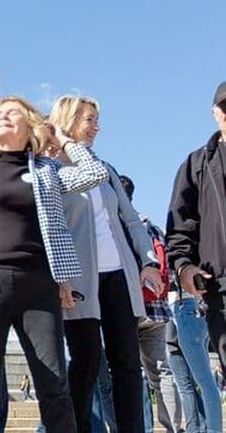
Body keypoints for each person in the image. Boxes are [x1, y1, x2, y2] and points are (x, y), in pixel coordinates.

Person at [0, 96, 108, 432]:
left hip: (39, 286)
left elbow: (94, 173)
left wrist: (62, 139)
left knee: (54, 385)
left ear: (30, 125)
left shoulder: (48, 170)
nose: (2, 116)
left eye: (12, 112)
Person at [48, 95, 162, 433]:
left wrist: (148, 260)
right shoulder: (50, 168)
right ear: (68, 122)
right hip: (80, 280)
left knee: (126, 363)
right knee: (84, 363)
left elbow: (130, 220)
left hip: (119, 277)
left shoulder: (107, 169)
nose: (96, 127)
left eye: (97, 119)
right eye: (89, 119)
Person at [166, 81, 226, 432]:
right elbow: (180, 225)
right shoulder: (197, 165)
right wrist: (184, 266)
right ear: (216, 113)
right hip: (221, 288)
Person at [118, 174, 183, 432]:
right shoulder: (150, 225)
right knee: (161, 372)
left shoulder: (119, 225)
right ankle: (172, 427)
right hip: (156, 309)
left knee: (129, 370)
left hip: (128, 307)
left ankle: (139, 426)